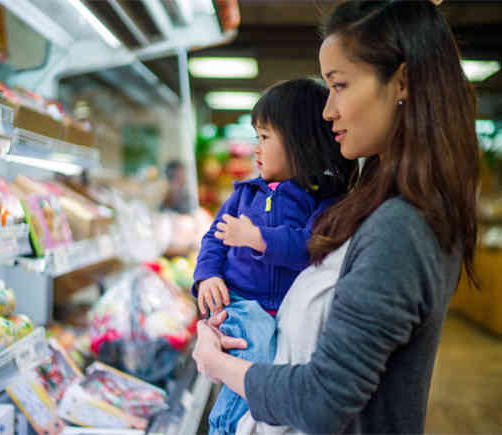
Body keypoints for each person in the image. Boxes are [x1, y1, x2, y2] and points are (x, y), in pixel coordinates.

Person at [192, 1, 480, 434]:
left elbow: (322, 402)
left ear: (401, 81)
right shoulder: (369, 201)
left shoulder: (400, 228)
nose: (328, 111)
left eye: (339, 85)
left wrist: (219, 364)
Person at [192, 78, 357, 434]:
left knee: (262, 366)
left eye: (265, 137)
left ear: (300, 142)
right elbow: (213, 240)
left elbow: (307, 246)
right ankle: (224, 425)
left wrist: (257, 238)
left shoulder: (323, 201)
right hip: (239, 303)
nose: (256, 148)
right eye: (256, 137)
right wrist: (208, 276)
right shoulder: (243, 195)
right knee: (257, 359)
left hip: (283, 312)